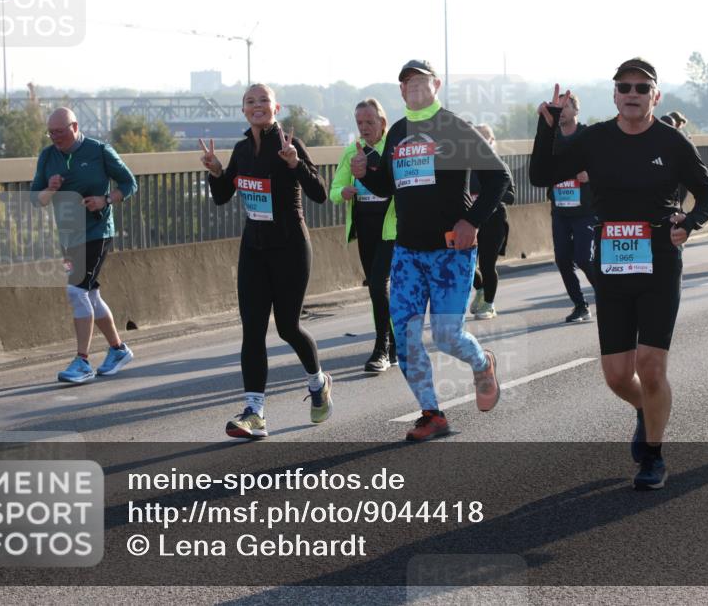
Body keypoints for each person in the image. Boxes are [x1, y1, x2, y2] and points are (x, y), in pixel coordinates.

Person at [530, 58, 708, 490]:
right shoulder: (595, 139)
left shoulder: (672, 142)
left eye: (641, 88)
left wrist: (688, 225)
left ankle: (653, 456)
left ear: (655, 96)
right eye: (624, 87)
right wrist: (547, 126)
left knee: (652, 368)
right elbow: (542, 174)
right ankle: (645, 410)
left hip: (658, 258)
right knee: (618, 375)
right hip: (611, 261)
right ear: (614, 95)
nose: (632, 94)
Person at [353, 59, 510, 441]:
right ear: (402, 92)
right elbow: (390, 187)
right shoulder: (399, 133)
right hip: (407, 252)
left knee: (446, 336)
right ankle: (431, 413)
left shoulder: (452, 128)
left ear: (436, 86)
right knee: (404, 335)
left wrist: (472, 221)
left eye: (423, 82)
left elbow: (498, 178)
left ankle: (481, 362)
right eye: (409, 84)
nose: (416, 89)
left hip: (449, 252)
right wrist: (366, 175)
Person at [200, 83, 332, 438]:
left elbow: (320, 193)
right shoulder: (242, 149)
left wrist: (296, 163)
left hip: (291, 247)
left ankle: (318, 383)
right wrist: (215, 172)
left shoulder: (289, 143)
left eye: (263, 101)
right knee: (253, 331)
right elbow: (222, 196)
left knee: (288, 327)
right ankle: (254, 411)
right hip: (254, 249)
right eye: (250, 101)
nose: (257, 106)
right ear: (244, 110)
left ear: (276, 108)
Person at [31, 107, 138, 383]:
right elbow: (36, 199)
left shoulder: (99, 150)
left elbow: (129, 183)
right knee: (89, 295)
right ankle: (117, 350)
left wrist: (106, 200)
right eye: (51, 132)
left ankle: (82, 362)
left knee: (76, 291)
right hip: (69, 236)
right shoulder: (48, 156)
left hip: (97, 231)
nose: (55, 137)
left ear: (75, 126)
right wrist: (51, 189)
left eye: (60, 131)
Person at [330, 99, 398, 372]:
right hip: (364, 226)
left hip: (390, 227)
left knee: (378, 283)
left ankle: (381, 348)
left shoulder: (393, 150)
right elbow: (335, 189)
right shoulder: (351, 152)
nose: (365, 127)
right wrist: (343, 193)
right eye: (360, 123)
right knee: (376, 288)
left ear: (383, 122)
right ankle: (393, 344)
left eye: (370, 122)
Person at [549, 93, 598, 323]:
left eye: (566, 106)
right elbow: (539, 167)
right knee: (562, 259)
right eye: (558, 107)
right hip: (560, 209)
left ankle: (608, 294)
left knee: (584, 258)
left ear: (576, 111)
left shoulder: (587, 136)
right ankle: (580, 305)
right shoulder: (551, 138)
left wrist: (592, 174)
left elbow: (606, 163)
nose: (562, 110)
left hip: (585, 209)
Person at [468, 123, 515, 320]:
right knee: (466, 264)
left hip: (494, 220)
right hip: (471, 222)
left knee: (487, 264)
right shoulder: (467, 166)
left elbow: (511, 196)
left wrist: (489, 196)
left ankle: (489, 304)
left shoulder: (499, 166)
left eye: (485, 139)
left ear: (491, 142)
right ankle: (480, 289)